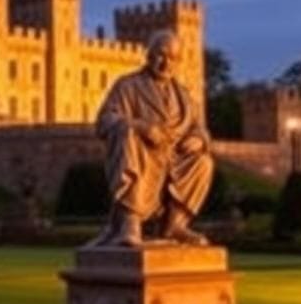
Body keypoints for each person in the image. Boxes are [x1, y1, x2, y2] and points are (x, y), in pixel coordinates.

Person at [91, 30, 213, 247]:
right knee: (128, 133)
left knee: (203, 161)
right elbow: (104, 121)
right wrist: (140, 126)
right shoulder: (128, 85)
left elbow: (200, 128)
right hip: (144, 155)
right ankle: (130, 223)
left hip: (174, 159)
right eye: (161, 55)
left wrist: (199, 140)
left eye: (173, 58)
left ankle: (174, 226)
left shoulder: (184, 96)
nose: (167, 63)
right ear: (148, 55)